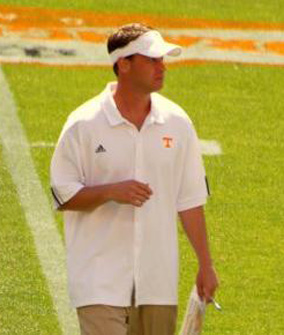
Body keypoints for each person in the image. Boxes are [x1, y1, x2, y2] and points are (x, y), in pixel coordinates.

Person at [50, 23, 218, 335]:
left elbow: (190, 200)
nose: (162, 67)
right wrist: (111, 191)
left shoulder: (178, 124)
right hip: (99, 281)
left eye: (162, 60)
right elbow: (63, 194)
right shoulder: (83, 125)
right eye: (152, 60)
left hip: (158, 283)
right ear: (123, 65)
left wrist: (205, 265)